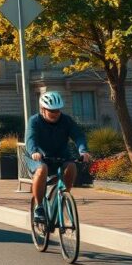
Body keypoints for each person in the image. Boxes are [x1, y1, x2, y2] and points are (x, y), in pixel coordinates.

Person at [24, 91, 90, 222]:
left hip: (60, 156)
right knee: (42, 169)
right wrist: (34, 151)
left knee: (71, 166)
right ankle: (39, 207)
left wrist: (83, 151)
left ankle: (64, 196)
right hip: (38, 157)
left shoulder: (66, 120)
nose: (55, 114)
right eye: (51, 111)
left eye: (57, 110)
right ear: (43, 109)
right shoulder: (34, 121)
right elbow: (30, 139)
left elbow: (78, 136)